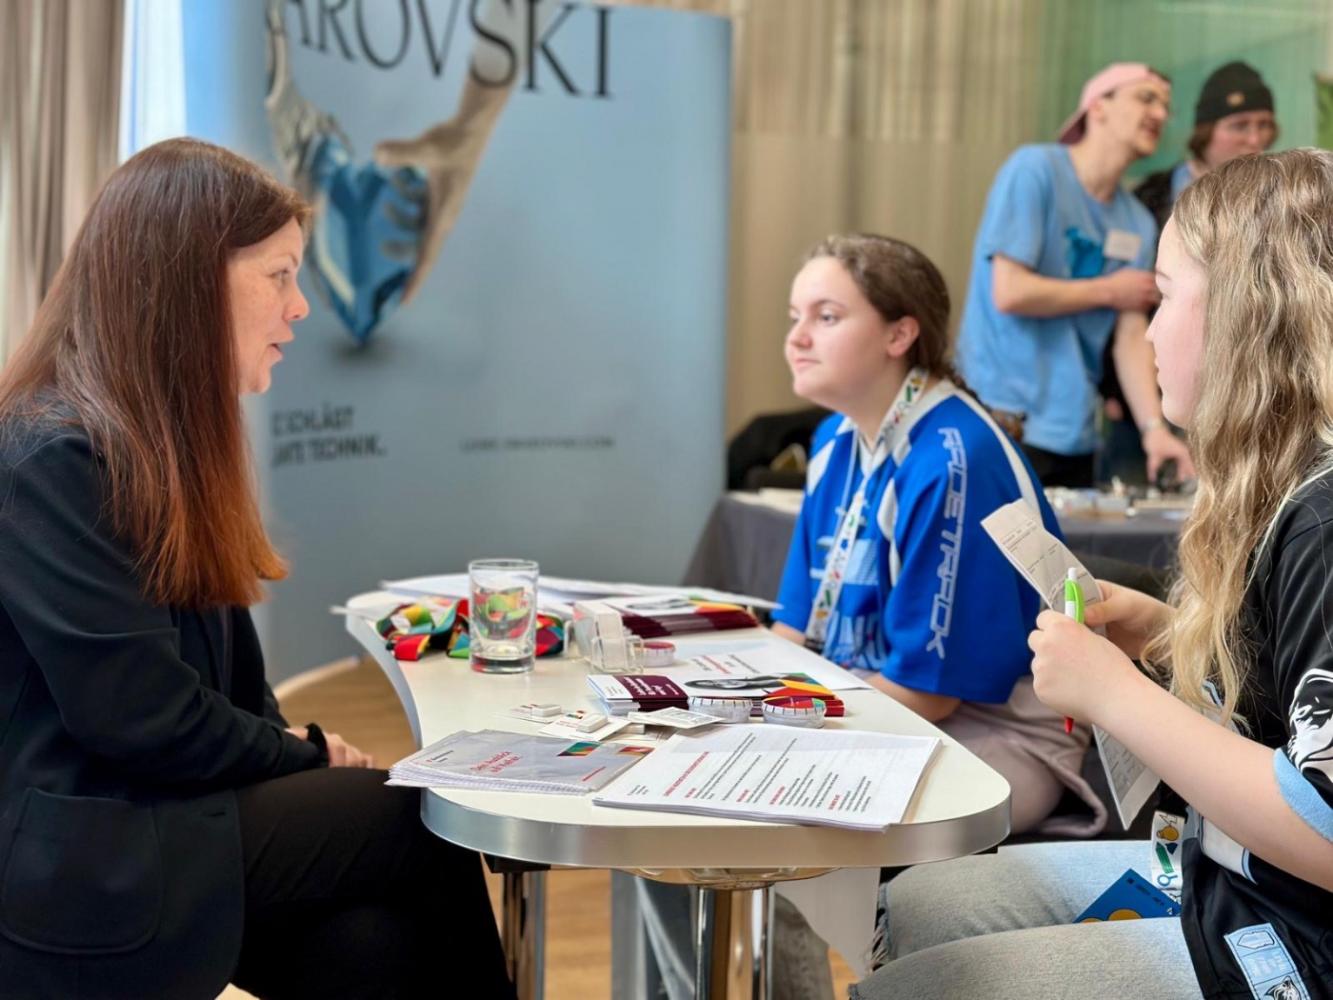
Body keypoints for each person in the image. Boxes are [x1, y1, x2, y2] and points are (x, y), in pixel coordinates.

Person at [0, 138, 514, 999]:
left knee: (369, 947)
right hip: (83, 856)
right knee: (421, 816)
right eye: (279, 275)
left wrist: (293, 753)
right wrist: (305, 755)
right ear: (187, 283)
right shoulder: (50, 457)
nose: (301, 306)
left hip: (166, 817)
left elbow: (232, 686)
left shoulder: (156, 451)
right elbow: (143, 719)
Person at [853, 149, 1333, 999]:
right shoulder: (1284, 490)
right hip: (1233, 885)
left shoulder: (1321, 520)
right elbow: (1284, 700)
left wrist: (1112, 695)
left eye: (1163, 297)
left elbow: (1322, 830)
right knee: (920, 902)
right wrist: (1162, 635)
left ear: (1249, 315)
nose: (1143, 334)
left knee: (920, 985)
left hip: (1292, 943)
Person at [957, 63, 1194, 488]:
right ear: (1097, 107)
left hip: (1075, 432)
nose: (1160, 114)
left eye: (1165, 106)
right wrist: (1109, 290)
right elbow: (1010, 291)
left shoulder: (1137, 222)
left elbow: (1131, 336)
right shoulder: (1034, 171)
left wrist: (1154, 430)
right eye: (1146, 98)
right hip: (999, 419)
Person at [1100, 61, 1279, 483]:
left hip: (1237, 402)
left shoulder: (1274, 203)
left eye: (1264, 126)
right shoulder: (1147, 201)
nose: (1255, 139)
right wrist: (1115, 390)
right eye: (1239, 125)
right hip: (1147, 401)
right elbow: (1130, 312)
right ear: (1205, 131)